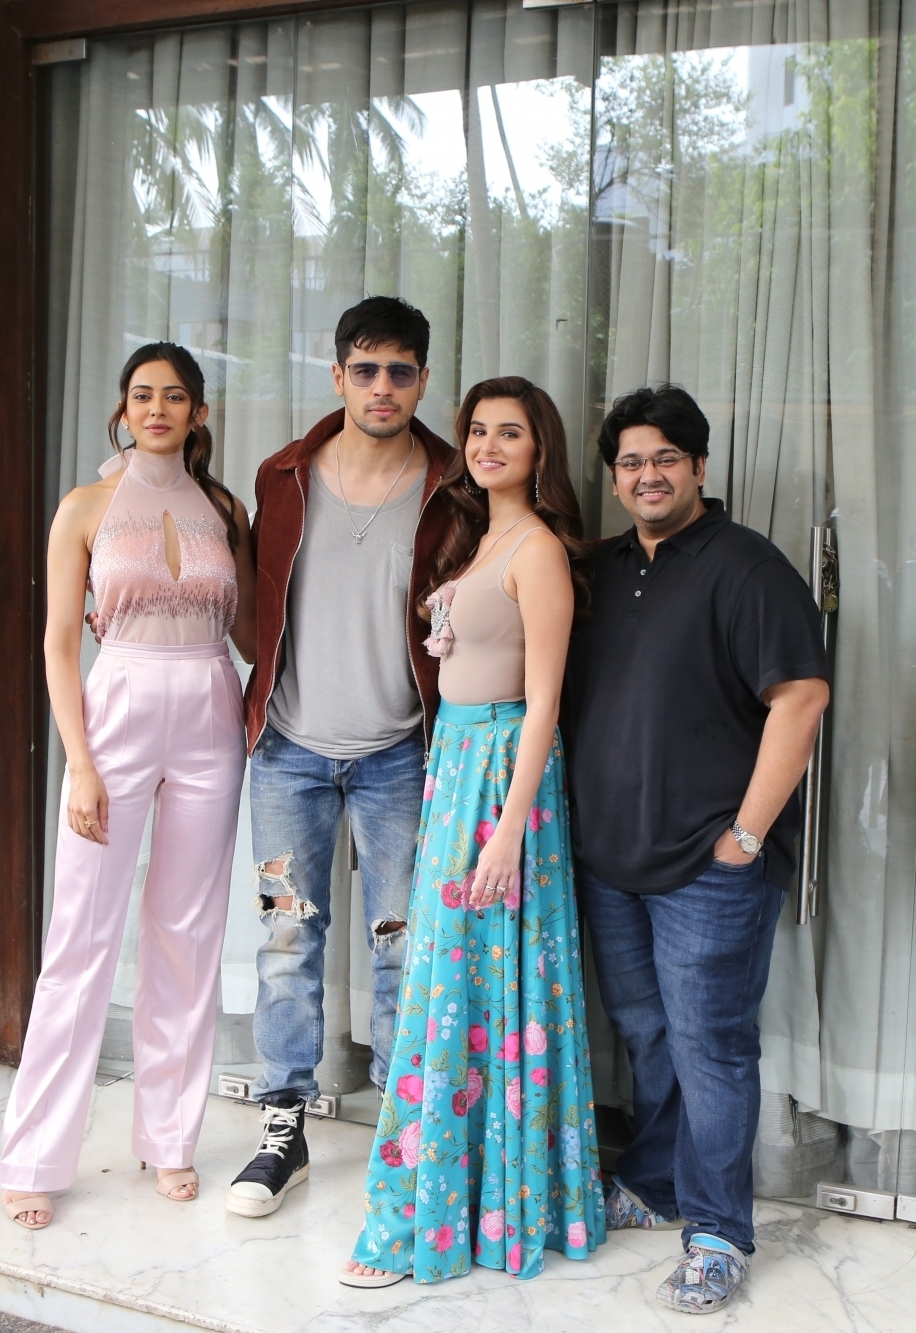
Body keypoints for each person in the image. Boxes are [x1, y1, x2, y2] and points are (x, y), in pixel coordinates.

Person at [562, 385, 830, 1316]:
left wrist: (746, 836)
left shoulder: (748, 568)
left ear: (701, 467)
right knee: (645, 1033)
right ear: (613, 476)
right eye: (631, 461)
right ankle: (656, 1180)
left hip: (706, 869)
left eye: (666, 458)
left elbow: (800, 699)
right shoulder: (598, 570)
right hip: (608, 860)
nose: (648, 475)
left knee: (713, 1047)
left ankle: (717, 1232)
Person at [340, 376, 606, 1288]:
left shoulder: (537, 550)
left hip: (501, 774)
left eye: (512, 433)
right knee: (453, 984)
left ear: (541, 451)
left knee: (469, 983)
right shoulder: (477, 535)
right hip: (453, 764)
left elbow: (544, 707)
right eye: (479, 430)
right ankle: (459, 1201)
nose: (490, 445)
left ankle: (437, 1216)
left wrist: (507, 832)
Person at [0, 343, 256, 1229]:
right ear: (122, 406)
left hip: (210, 706)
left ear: (198, 412)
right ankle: (34, 1153)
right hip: (116, 709)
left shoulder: (223, 507)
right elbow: (59, 644)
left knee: (187, 930)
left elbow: (253, 625)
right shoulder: (86, 507)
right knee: (81, 934)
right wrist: (80, 759)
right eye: (143, 393)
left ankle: (171, 1137)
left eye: (175, 395)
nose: (158, 408)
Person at [229, 297, 457, 1218]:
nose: (382, 387)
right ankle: (284, 1126)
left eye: (400, 371)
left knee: (403, 946)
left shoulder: (452, 487)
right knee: (287, 938)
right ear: (337, 376)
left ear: (423, 382)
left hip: (400, 755)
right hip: (287, 753)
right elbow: (248, 598)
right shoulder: (284, 475)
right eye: (364, 369)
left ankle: (403, 1143)